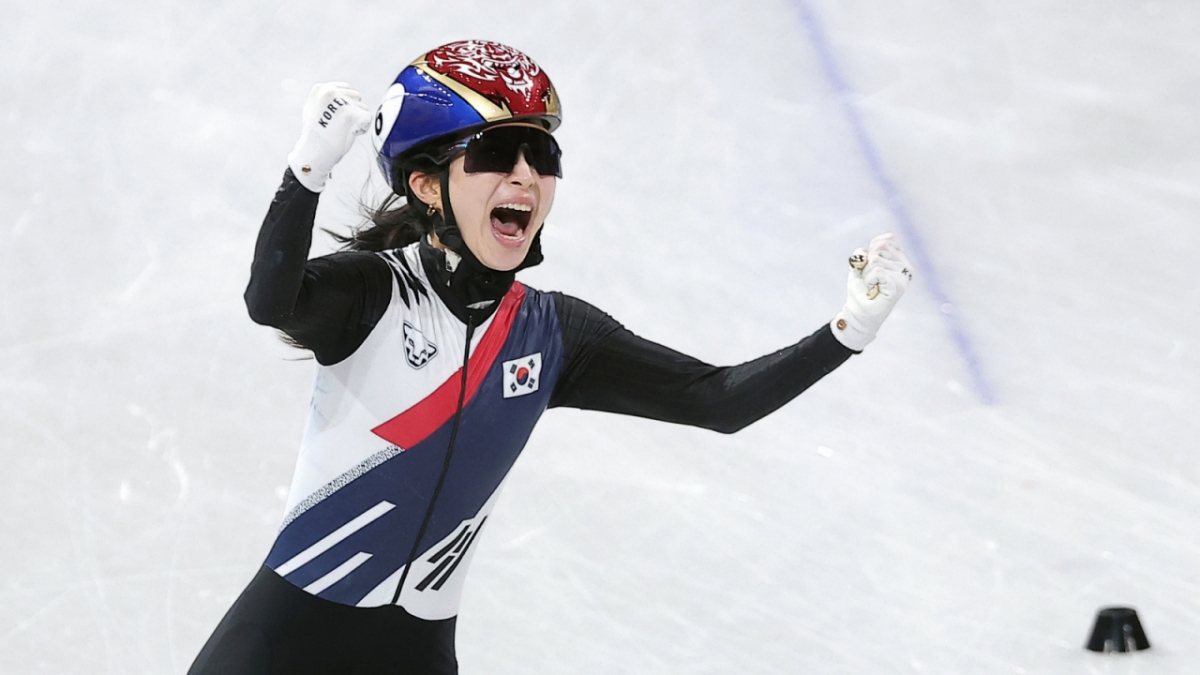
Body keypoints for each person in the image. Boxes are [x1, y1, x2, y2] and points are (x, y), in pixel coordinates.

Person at [188, 39, 913, 675]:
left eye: (544, 156)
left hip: (413, 652)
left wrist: (849, 328)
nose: (527, 177)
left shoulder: (554, 332)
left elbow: (715, 400)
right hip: (283, 640)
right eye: (498, 155)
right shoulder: (376, 292)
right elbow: (271, 300)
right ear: (424, 184)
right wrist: (307, 172)